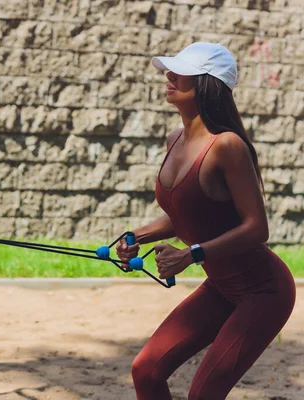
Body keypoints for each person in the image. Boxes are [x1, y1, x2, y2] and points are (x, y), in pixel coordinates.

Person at [115, 42, 296, 399]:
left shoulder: (227, 146)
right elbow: (185, 213)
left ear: (205, 84)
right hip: (221, 286)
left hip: (264, 292)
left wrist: (190, 254)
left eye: (179, 72)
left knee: (203, 394)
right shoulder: (175, 140)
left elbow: (257, 228)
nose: (168, 76)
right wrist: (137, 235)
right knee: (145, 370)